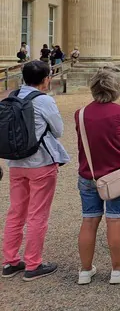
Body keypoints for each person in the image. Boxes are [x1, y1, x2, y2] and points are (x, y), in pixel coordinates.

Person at [2, 61, 70, 281]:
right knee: (37, 214)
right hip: (40, 161)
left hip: (16, 162)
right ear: (45, 79)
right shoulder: (44, 100)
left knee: (16, 212)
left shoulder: (11, 97)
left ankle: (10, 261)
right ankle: (33, 264)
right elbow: (59, 130)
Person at [75, 67, 120, 285]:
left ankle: (85, 270)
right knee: (115, 220)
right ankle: (117, 269)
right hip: (116, 176)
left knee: (89, 220)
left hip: (89, 174)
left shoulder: (80, 113)